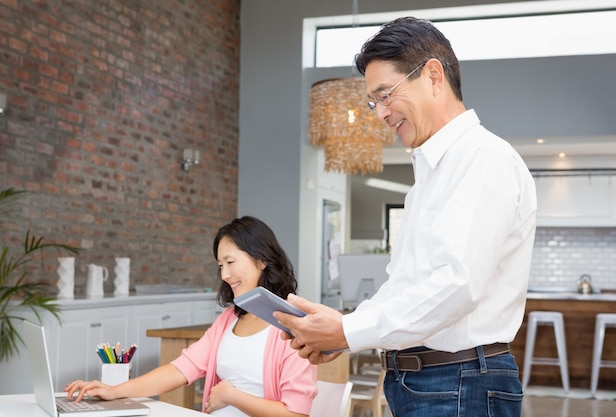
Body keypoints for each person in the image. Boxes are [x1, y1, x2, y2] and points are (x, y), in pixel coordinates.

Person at [275, 17, 537, 417]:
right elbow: (404, 288)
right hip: (424, 383)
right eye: (373, 102)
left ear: (433, 75)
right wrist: (344, 332)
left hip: (460, 382)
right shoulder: (426, 182)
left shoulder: (484, 159)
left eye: (385, 95)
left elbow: (456, 284)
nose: (380, 113)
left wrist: (348, 330)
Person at [65, 216, 318, 417]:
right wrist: (114, 391)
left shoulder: (293, 325)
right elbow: (180, 369)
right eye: (220, 265)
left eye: (230, 262)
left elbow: (295, 414)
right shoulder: (229, 319)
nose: (224, 275)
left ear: (262, 260)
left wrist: (232, 396)